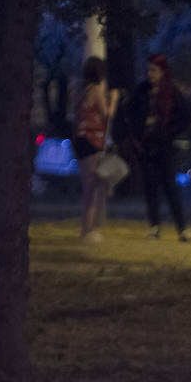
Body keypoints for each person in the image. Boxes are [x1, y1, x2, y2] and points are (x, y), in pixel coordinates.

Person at [113, 54, 191, 242]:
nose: (150, 74)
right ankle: (154, 227)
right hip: (145, 146)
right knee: (150, 187)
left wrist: (169, 132)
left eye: (154, 70)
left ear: (163, 72)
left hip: (164, 145)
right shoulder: (141, 90)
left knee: (170, 187)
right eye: (148, 70)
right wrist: (135, 138)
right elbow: (130, 115)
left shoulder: (172, 93)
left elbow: (185, 117)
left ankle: (182, 228)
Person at [74, 56, 112, 244]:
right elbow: (106, 116)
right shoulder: (97, 91)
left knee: (88, 186)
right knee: (91, 188)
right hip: (91, 140)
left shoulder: (83, 92)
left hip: (80, 140)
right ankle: (87, 230)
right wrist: (114, 101)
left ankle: (87, 229)